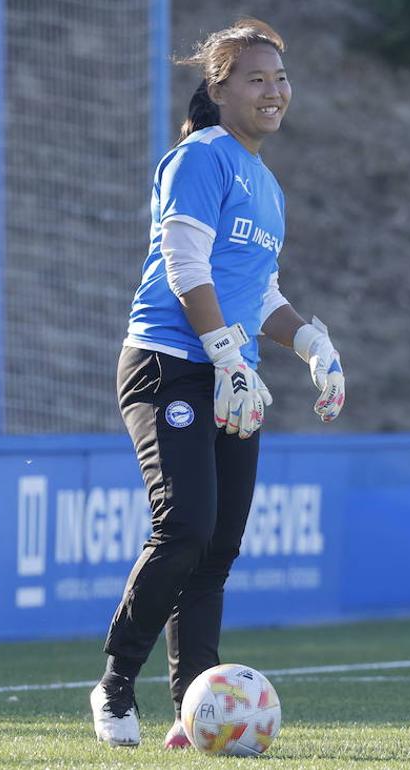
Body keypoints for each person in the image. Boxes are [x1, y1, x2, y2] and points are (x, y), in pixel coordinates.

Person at [90, 17, 346, 748]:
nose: (274, 91)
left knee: (217, 550)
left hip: (233, 373)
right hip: (170, 363)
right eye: (257, 78)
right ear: (218, 88)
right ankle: (113, 686)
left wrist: (310, 342)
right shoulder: (201, 157)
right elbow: (185, 267)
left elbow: (257, 291)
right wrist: (228, 356)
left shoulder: (265, 182)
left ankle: (191, 710)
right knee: (184, 529)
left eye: (281, 78)